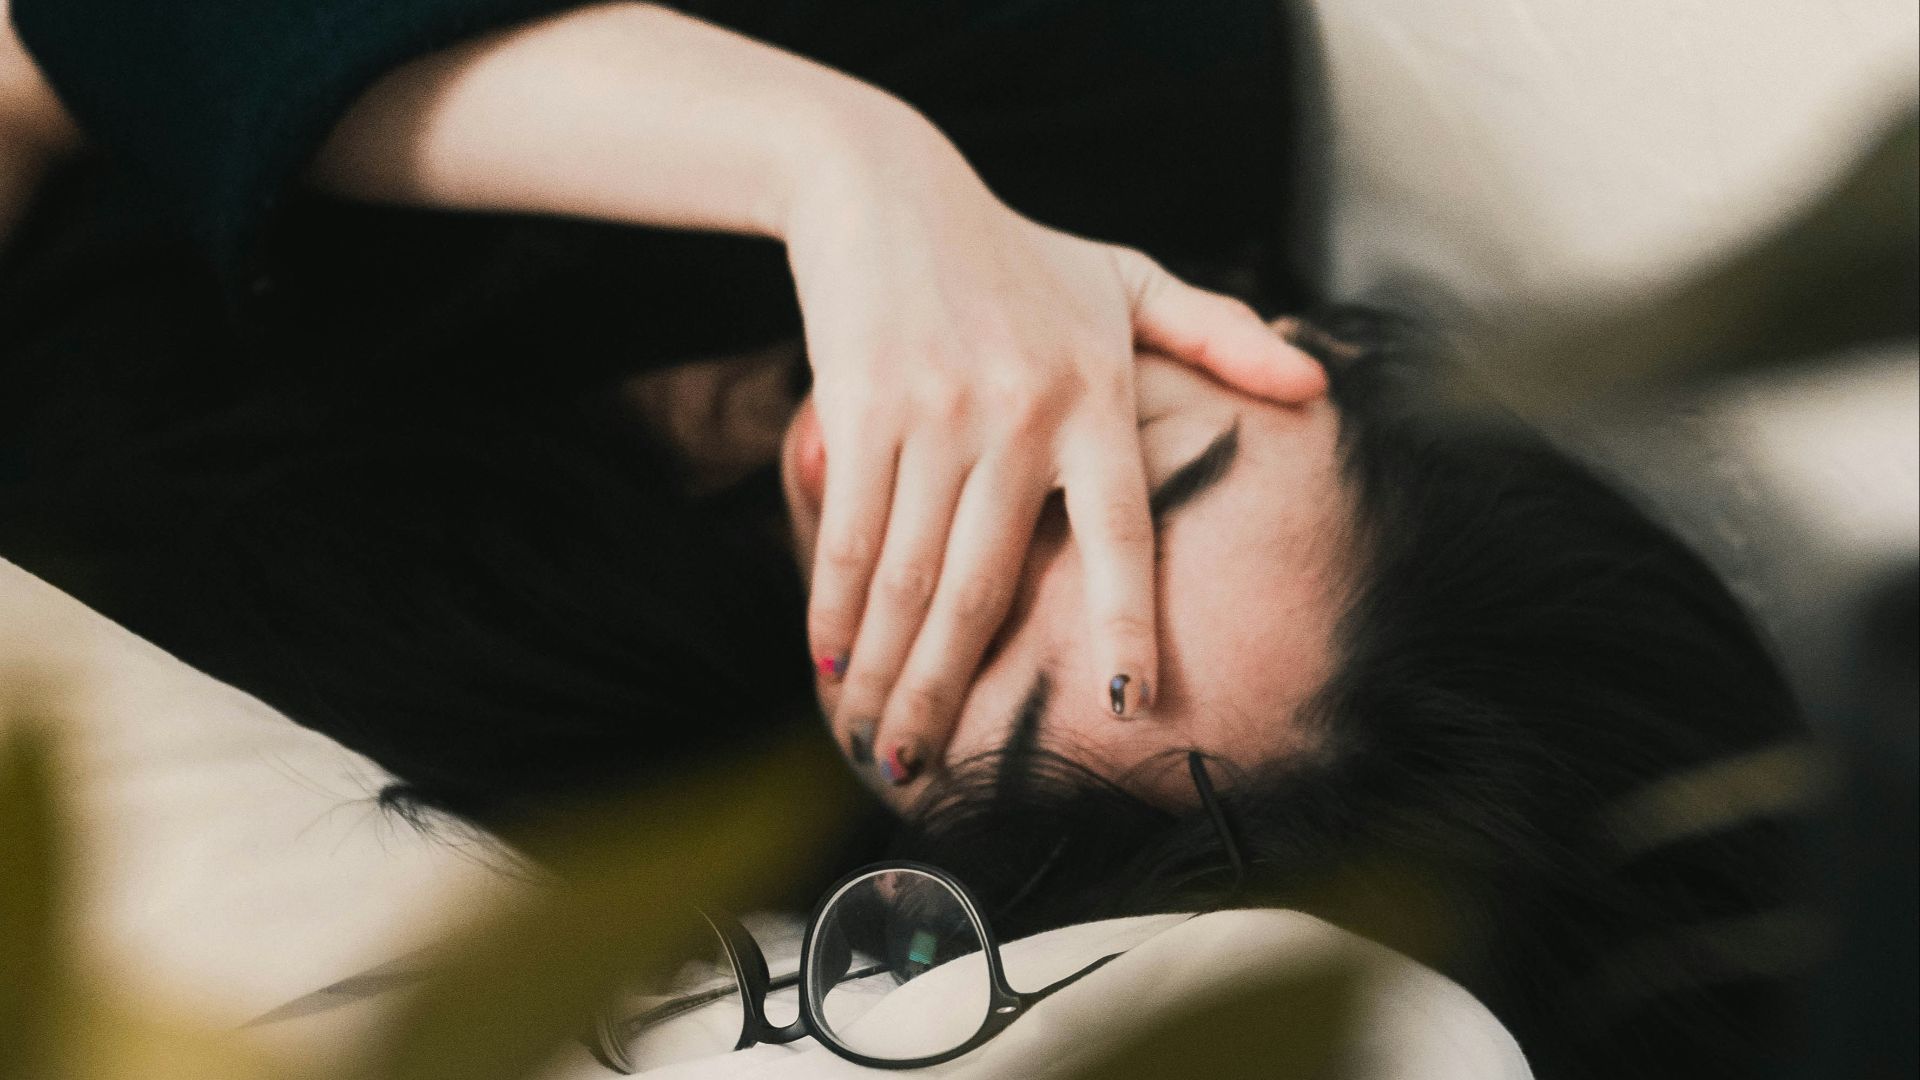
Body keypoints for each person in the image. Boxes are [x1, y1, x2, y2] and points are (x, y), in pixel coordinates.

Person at [1, 3, 1807, 1077]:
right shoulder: (1094, 63)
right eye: (1122, 480)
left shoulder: (586, 774)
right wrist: (839, 161)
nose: (910, 506)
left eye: (956, 686)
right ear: (1307, 356)